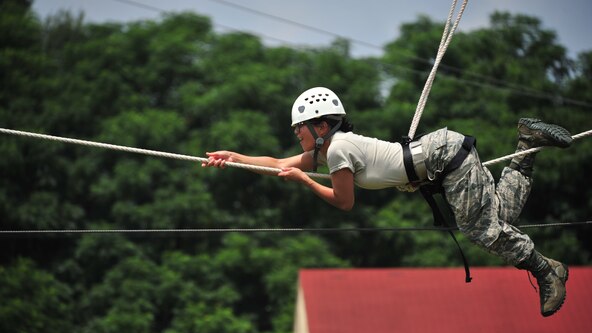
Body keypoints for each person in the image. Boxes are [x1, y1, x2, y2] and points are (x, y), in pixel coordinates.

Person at [203, 86, 573, 317]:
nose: (294, 134)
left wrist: (303, 180)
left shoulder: (339, 152)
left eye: (298, 127)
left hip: (444, 158)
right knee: (500, 220)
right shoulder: (335, 147)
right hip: (444, 159)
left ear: (319, 126)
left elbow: (343, 202)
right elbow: (276, 163)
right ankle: (527, 144)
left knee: (480, 230)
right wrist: (233, 157)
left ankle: (545, 270)